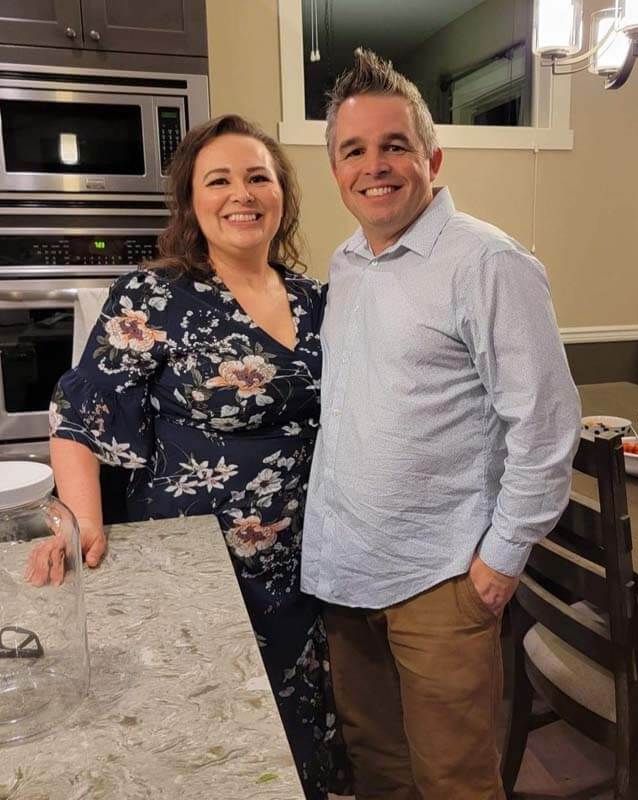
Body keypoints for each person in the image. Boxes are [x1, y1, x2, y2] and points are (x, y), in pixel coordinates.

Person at [26, 114, 350, 799]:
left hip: (307, 568)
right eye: (220, 179)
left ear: (282, 194)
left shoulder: (317, 300)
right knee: (210, 742)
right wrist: (83, 522)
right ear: (191, 200)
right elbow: (78, 418)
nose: (242, 193)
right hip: (199, 563)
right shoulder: (152, 296)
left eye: (258, 176)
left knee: (293, 746)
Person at [301, 50, 581, 800]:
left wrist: (501, 557)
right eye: (353, 150)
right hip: (348, 571)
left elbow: (548, 427)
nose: (375, 165)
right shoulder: (350, 262)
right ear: (336, 171)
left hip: (441, 575)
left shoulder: (487, 262)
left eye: (395, 144)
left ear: (432, 155)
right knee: (380, 765)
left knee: (455, 779)